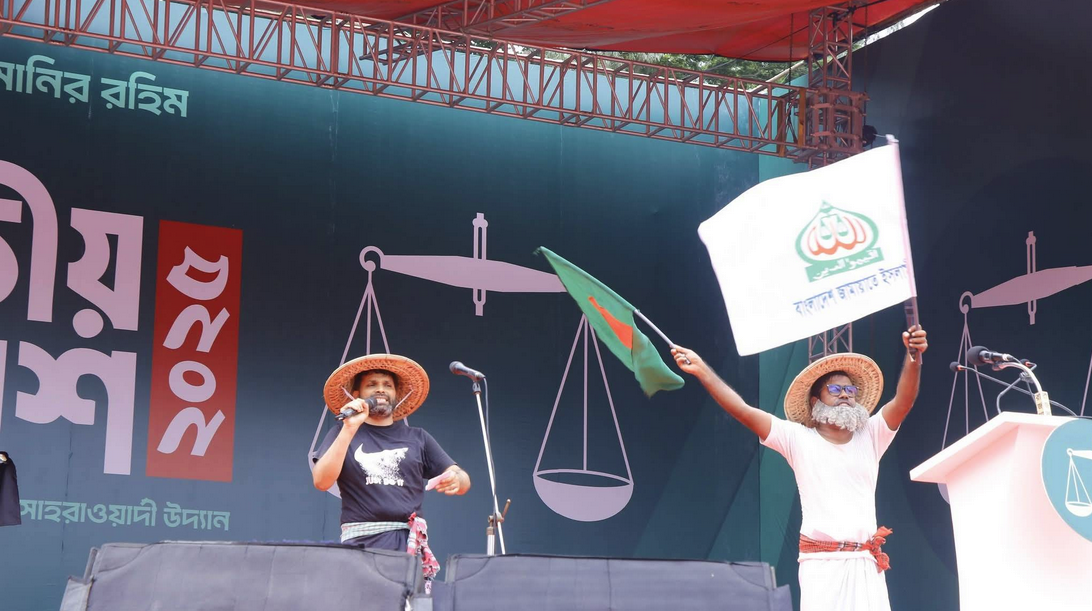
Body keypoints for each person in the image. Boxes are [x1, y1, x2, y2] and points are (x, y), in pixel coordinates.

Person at [671, 325, 927, 611]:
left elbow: (903, 401)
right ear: (816, 401)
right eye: (835, 389)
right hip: (822, 566)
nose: (845, 394)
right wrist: (703, 370)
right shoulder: (797, 438)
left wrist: (913, 358)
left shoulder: (871, 434)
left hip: (866, 563)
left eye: (850, 389)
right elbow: (742, 410)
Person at [312, 353, 470, 590]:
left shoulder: (418, 437)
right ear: (356, 395)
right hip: (361, 546)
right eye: (372, 384)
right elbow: (321, 481)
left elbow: (461, 478)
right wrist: (349, 428)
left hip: (407, 547)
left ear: (397, 394)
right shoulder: (341, 432)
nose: (380, 389)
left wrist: (457, 479)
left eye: (387, 385)